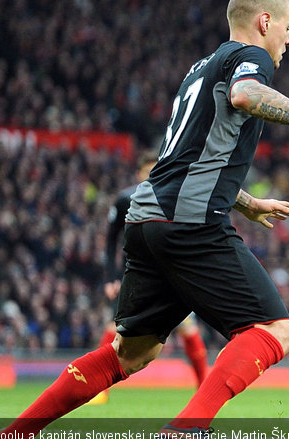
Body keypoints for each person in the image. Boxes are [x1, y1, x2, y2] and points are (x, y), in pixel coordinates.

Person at [0, 0, 289, 439]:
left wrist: (245, 201)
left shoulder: (198, 69)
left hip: (148, 215)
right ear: (265, 21)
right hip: (189, 221)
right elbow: (248, 96)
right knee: (276, 330)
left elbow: (187, 156)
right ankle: (188, 432)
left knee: (131, 353)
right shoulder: (250, 61)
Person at [88, 149, 209, 406]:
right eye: (147, 171)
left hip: (172, 277)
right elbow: (110, 242)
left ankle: (204, 387)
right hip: (137, 276)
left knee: (188, 329)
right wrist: (111, 277)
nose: (152, 175)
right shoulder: (125, 200)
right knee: (115, 330)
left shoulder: (175, 196)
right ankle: (100, 390)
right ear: (138, 173)